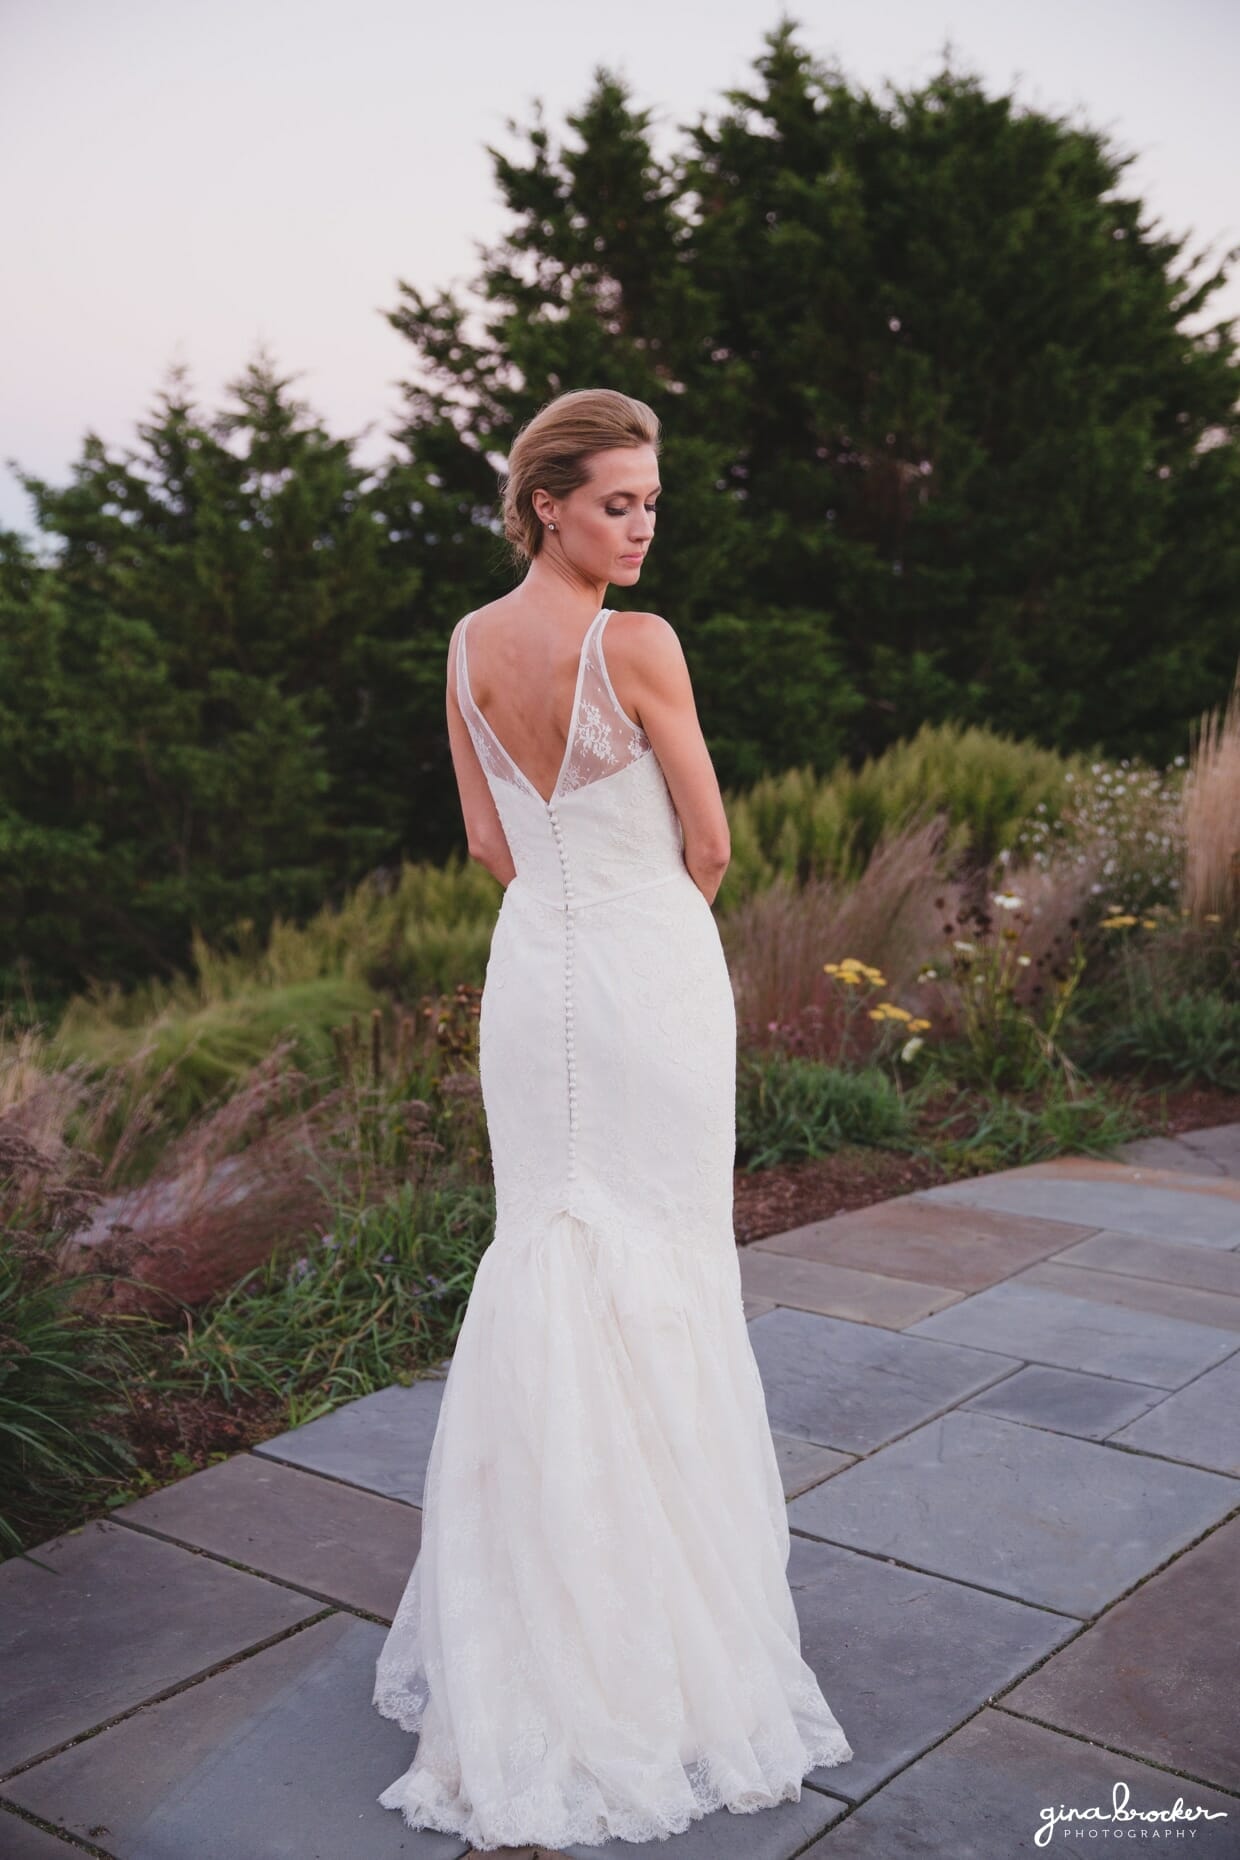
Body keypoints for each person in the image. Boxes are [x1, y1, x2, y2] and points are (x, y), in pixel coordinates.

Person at [372, 387, 852, 1849]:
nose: (641, 529)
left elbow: (485, 840)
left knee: (545, 1257)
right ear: (546, 507)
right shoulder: (638, 645)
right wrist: (644, 929)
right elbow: (710, 841)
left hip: (535, 979)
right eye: (615, 504)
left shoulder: (466, 645)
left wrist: (572, 920)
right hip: (647, 976)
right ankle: (659, 1648)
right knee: (662, 1267)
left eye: (650, 504)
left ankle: (531, 1633)